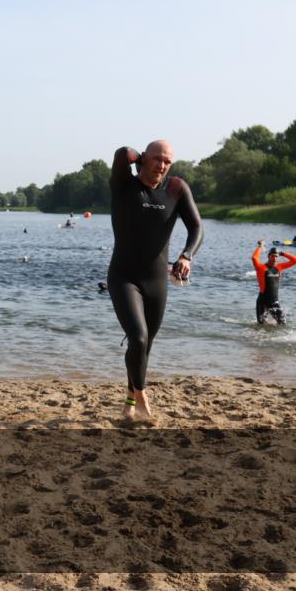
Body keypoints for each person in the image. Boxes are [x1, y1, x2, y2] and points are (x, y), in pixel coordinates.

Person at [108, 140, 203, 421]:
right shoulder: (124, 184)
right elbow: (122, 153)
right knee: (137, 338)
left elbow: (197, 227)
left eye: (167, 161)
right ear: (144, 159)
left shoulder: (176, 189)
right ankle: (142, 397)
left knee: (144, 347)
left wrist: (186, 256)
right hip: (123, 277)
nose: (162, 165)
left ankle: (128, 404)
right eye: (157, 159)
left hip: (157, 282)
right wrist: (139, 158)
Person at [251, 241, 296, 325]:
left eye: (276, 256)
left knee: (282, 323)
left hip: (274, 302)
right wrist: (260, 246)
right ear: (268, 257)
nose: (274, 258)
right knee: (261, 324)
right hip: (262, 301)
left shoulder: (279, 267)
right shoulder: (261, 268)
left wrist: (283, 254)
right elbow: (254, 258)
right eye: (272, 256)